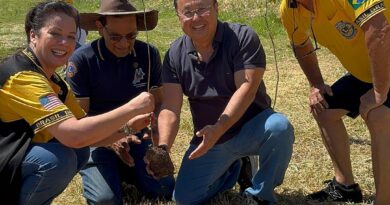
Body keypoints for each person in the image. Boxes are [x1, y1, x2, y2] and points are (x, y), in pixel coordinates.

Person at [0, 1, 155, 204]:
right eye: (55, 34)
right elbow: (74, 135)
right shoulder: (23, 78)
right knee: (58, 161)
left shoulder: (55, 81)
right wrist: (133, 108)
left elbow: (85, 136)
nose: (64, 43)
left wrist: (126, 129)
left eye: (71, 36)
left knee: (76, 152)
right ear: (33, 35)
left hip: (12, 153)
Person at [154, 0, 295, 204]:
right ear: (178, 16)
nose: (196, 18)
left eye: (202, 9)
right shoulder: (175, 54)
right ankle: (233, 169)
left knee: (279, 127)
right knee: (184, 199)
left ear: (216, 8)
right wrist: (162, 149)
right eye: (187, 12)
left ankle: (260, 194)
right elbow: (170, 107)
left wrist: (218, 128)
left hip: (250, 127)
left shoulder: (242, 36)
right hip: (210, 139)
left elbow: (246, 90)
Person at [279, 0, 390, 204]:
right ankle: (345, 186)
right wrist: (316, 83)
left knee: (378, 115)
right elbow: (300, 44)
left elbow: (379, 30)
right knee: (323, 108)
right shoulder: (289, 10)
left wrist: (379, 91)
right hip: (366, 74)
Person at [65, 0, 175, 204]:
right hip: (95, 139)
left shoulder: (148, 54)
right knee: (105, 200)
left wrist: (157, 144)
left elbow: (160, 103)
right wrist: (112, 138)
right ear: (100, 28)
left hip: (138, 135)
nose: (124, 43)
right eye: (115, 36)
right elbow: (80, 120)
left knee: (163, 189)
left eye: (131, 36)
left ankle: (126, 170)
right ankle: (106, 169)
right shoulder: (81, 60)